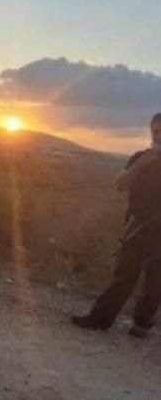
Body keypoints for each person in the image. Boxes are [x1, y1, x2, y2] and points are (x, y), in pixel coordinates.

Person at [72, 113, 161, 338]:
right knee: (123, 275)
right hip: (137, 227)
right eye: (155, 131)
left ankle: (142, 324)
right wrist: (140, 165)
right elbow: (120, 185)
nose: (158, 136)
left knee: (155, 281)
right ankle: (100, 319)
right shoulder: (140, 157)